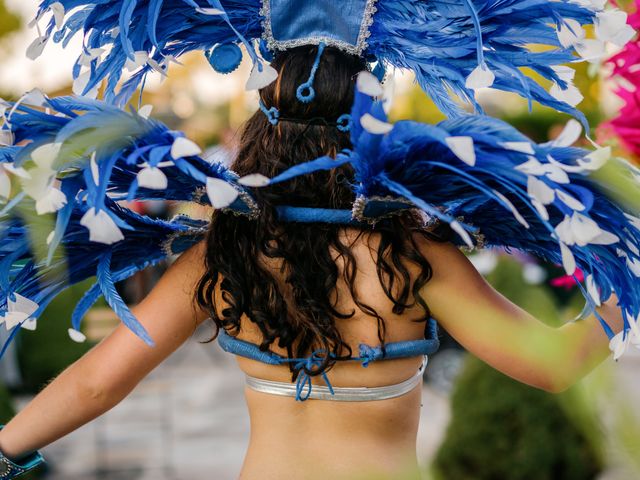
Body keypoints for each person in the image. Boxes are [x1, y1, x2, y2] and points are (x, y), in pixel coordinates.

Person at [0, 45, 629, 480]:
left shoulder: (221, 253)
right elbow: (556, 365)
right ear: (367, 127)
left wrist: (4, 452)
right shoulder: (413, 257)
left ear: (261, 131)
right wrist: (625, 292)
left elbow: (97, 382)